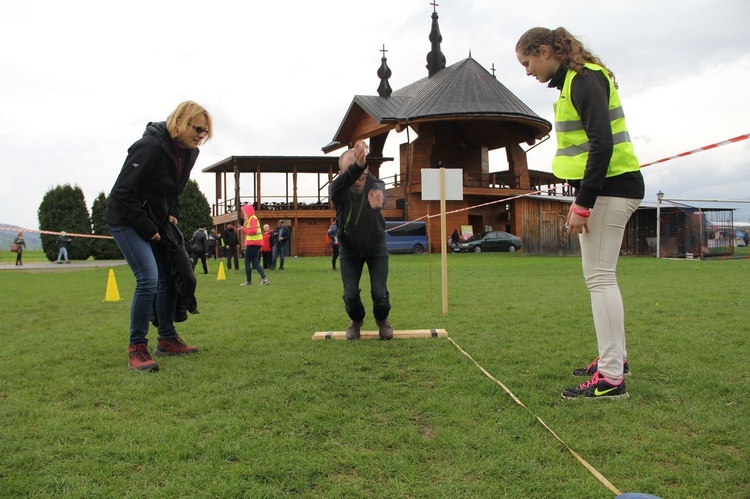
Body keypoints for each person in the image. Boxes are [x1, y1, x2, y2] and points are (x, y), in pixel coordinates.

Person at [516, 27, 644, 399]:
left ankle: (611, 378)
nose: (528, 71)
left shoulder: (583, 80)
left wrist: (582, 204)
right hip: (613, 188)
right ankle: (615, 361)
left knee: (600, 280)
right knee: (603, 279)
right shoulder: (578, 79)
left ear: (544, 51)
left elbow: (601, 146)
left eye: (528, 62)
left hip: (609, 190)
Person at [104, 100, 211, 371]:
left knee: (170, 276)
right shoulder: (150, 147)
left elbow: (176, 187)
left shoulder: (189, 152)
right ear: (181, 122)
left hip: (156, 219)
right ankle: (136, 347)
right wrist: (148, 228)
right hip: (126, 219)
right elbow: (122, 193)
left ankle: (166, 339)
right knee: (148, 278)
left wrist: (171, 212)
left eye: (205, 132)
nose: (201, 136)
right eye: (198, 129)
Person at [330, 140, 393, 340]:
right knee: (350, 295)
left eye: (362, 174)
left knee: (380, 294)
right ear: (342, 175)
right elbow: (339, 185)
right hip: (349, 250)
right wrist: (357, 167)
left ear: (367, 172)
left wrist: (379, 201)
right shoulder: (337, 190)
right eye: (351, 174)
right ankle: (356, 320)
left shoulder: (374, 184)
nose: (357, 180)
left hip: (376, 247)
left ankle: (382, 319)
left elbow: (382, 194)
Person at [239, 204, 270, 286]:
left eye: (244, 211)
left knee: (247, 262)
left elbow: (253, 231)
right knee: (256, 262)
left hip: (252, 243)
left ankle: (248, 281)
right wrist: (245, 223)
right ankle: (264, 278)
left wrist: (244, 229)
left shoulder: (252, 218)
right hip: (257, 244)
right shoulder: (251, 218)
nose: (243, 213)